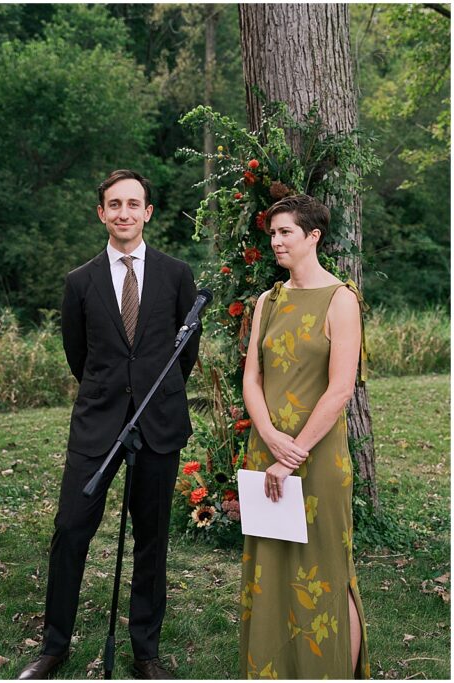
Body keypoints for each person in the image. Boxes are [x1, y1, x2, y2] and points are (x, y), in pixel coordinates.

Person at [18, 170, 201, 680]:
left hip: (158, 422)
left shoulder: (176, 274)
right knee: (70, 530)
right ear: (102, 213)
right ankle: (53, 647)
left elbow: (184, 355)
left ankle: (146, 651)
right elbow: (78, 354)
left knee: (152, 538)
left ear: (149, 212)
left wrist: (150, 394)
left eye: (133, 203)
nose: (124, 212)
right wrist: (111, 392)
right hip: (97, 424)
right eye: (114, 204)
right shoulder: (80, 281)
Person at [239, 194, 369, 678]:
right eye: (271, 233)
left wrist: (291, 454)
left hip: (317, 460)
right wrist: (270, 437)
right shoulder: (267, 300)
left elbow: (340, 390)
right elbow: (251, 378)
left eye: (285, 232)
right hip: (266, 451)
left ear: (313, 236)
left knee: (327, 572)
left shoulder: (341, 299)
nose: (275, 241)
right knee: (271, 572)